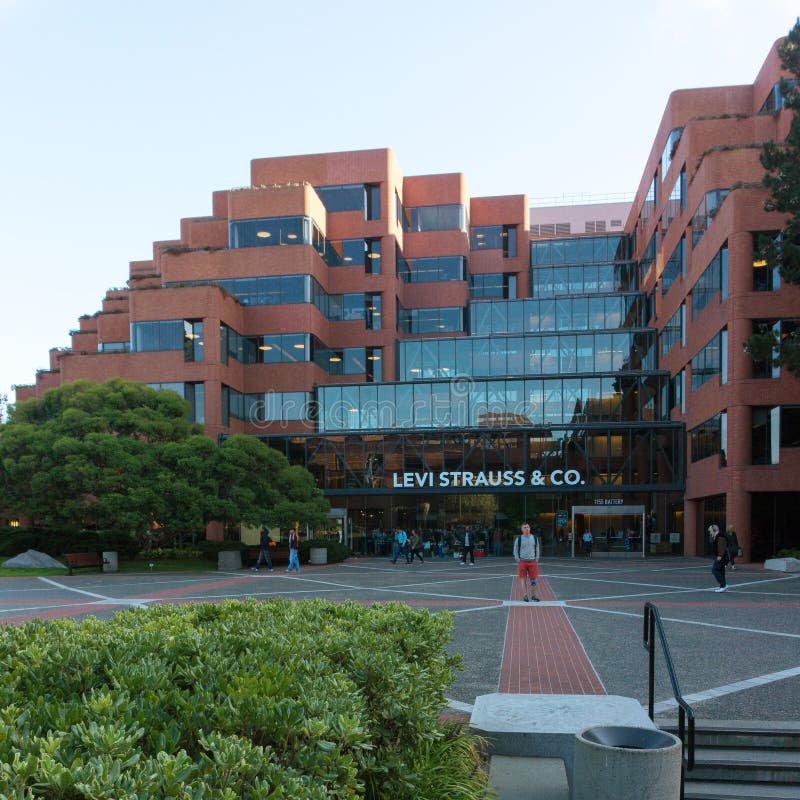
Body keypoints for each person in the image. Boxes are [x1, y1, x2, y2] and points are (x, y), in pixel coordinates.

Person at [514, 522, 541, 602]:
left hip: (532, 561)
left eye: (528, 527)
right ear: (522, 530)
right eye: (525, 527)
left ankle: (533, 596)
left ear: (530, 528)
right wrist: (517, 559)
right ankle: (525, 595)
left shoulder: (534, 538)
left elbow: (537, 548)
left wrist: (536, 559)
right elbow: (515, 549)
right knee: (523, 579)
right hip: (522, 561)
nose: (527, 529)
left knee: (533, 580)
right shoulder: (519, 539)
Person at [709, 524, 729, 592]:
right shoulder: (717, 536)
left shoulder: (720, 536)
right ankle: (723, 586)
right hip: (722, 557)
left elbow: (722, 547)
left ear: (715, 530)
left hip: (721, 557)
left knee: (714, 570)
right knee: (721, 571)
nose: (710, 532)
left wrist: (720, 556)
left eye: (711, 531)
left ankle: (723, 585)